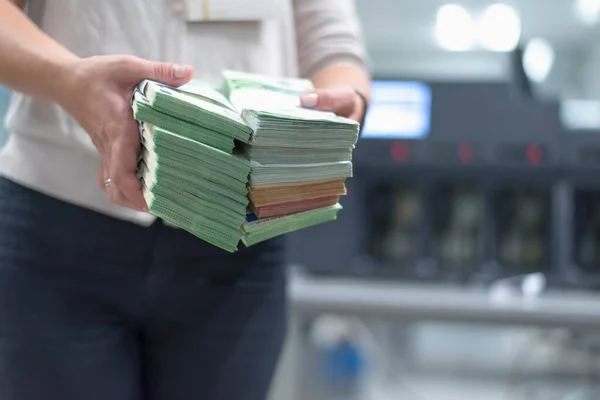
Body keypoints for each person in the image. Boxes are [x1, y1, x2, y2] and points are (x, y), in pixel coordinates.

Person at [0, 0, 371, 399]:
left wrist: (346, 102)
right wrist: (68, 79)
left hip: (238, 239)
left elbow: (333, 45)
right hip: (55, 226)